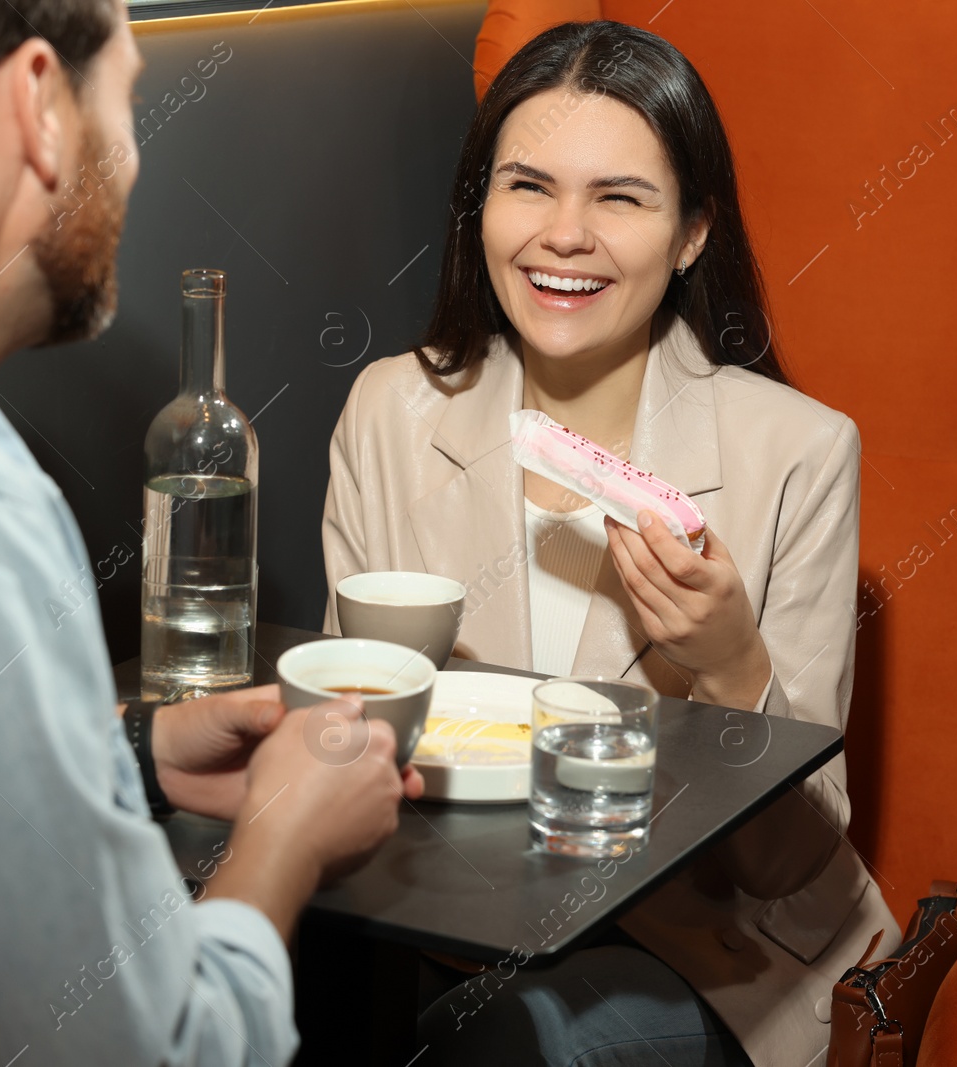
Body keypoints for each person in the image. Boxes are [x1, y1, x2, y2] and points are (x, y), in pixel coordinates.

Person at [0, 3, 421, 1065]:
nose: (136, 154)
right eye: (130, 97)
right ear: (40, 102)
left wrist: (133, 755)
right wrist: (283, 837)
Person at [321, 20, 902, 1067]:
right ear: (480, 206)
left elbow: (786, 864)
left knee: (509, 1038)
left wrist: (729, 664)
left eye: (619, 198)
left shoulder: (798, 452)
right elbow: (347, 753)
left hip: (706, 954)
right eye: (528, 186)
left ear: (689, 234)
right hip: (438, 927)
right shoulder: (390, 412)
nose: (564, 235)